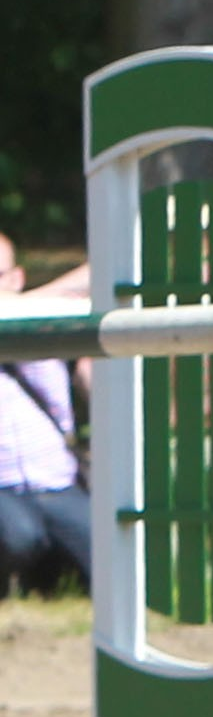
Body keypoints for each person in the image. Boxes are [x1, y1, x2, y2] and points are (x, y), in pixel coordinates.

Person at [0, 234, 92, 596]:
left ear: (17, 278)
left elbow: (97, 276)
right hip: (3, 486)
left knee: (105, 566)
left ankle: (46, 576)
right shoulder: (45, 307)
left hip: (57, 482)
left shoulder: (47, 319)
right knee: (19, 537)